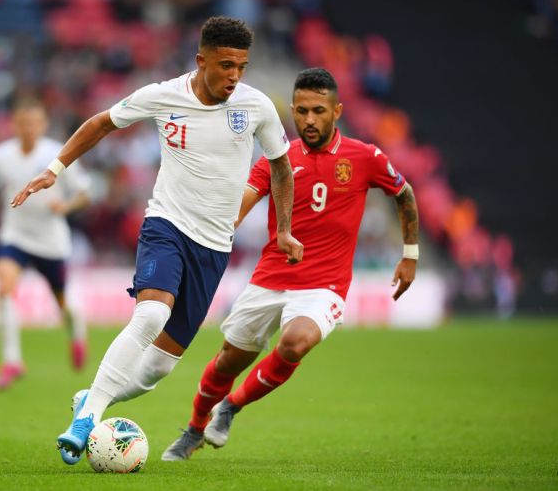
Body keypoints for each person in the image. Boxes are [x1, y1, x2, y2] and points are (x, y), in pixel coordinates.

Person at [9, 16, 304, 464]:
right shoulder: (162, 95)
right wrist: (54, 170)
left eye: (241, 66)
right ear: (201, 60)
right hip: (166, 225)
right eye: (226, 65)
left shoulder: (257, 106)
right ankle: (87, 418)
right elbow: (102, 122)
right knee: (149, 314)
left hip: (214, 246)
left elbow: (281, 167)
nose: (234, 76)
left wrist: (282, 227)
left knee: (157, 369)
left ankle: (93, 397)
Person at [161, 67, 420, 461]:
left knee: (295, 342)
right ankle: (194, 427)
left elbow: (404, 193)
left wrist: (410, 254)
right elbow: (241, 205)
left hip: (324, 286)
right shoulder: (276, 159)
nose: (308, 120)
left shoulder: (365, 157)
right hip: (271, 277)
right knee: (229, 359)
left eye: (318, 111)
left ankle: (231, 407)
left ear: (337, 111)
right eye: (301, 111)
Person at [0, 99, 90, 391]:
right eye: (23, 124)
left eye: (34, 123)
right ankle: (12, 361)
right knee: (4, 288)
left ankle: (76, 335)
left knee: (65, 306)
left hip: (51, 241)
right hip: (15, 236)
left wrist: (63, 207)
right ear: (15, 125)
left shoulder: (57, 154)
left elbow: (84, 195)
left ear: (43, 126)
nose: (28, 129)